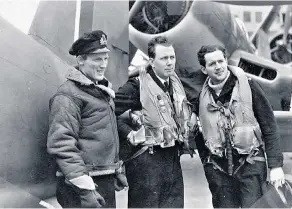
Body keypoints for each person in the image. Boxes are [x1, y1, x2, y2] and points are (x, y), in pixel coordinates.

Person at [192, 44, 285, 208]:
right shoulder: (201, 98)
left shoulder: (249, 87)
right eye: (212, 64)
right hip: (219, 171)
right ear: (204, 69)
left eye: (221, 61)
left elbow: (269, 126)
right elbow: (199, 135)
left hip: (250, 166)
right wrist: (208, 166)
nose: (218, 67)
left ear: (226, 61)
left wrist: (276, 166)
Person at [47, 30, 128, 208]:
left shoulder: (99, 92)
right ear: (81, 60)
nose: (103, 65)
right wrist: (85, 190)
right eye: (97, 59)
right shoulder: (69, 95)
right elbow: (61, 144)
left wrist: (114, 170)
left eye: (105, 59)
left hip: (99, 181)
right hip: (81, 186)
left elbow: (100, 135)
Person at [114, 36, 194, 208]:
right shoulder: (137, 86)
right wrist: (129, 133)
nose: (170, 62)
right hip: (146, 162)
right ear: (151, 61)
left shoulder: (177, 84)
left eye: (172, 57)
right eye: (164, 58)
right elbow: (109, 113)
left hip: (173, 160)